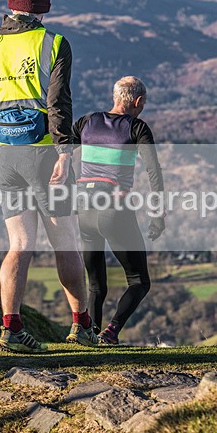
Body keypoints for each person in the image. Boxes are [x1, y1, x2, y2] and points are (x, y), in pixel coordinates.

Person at [0, 0, 98, 353]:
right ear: (45, 8)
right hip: (45, 153)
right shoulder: (54, 43)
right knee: (65, 241)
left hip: (2, 155)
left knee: (19, 243)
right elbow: (58, 104)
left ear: (10, 5)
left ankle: (11, 329)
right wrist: (66, 152)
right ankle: (82, 328)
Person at [72, 76, 166, 345]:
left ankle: (88, 334)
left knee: (95, 284)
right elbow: (153, 172)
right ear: (137, 101)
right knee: (139, 281)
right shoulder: (136, 127)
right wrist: (158, 214)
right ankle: (110, 332)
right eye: (143, 104)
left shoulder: (86, 122)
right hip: (114, 210)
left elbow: (62, 153)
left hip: (84, 209)